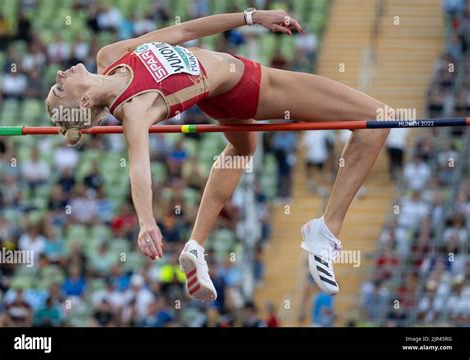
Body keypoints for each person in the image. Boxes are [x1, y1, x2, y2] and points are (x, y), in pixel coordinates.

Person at [45, 9, 390, 300]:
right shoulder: (133, 110)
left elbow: (185, 30)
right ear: (85, 102)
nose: (60, 74)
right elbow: (139, 167)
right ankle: (325, 230)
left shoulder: (109, 57)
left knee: (242, 149)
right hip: (253, 87)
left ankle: (196, 246)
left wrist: (251, 17)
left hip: (223, 95)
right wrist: (147, 222)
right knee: (379, 118)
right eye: (60, 87)